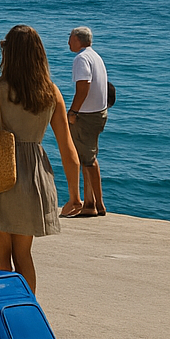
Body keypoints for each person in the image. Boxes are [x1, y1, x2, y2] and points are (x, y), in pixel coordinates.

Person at [0, 25, 82, 291]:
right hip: (34, 179)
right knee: (24, 256)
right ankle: (26, 314)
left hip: (0, 175)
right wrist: (76, 195)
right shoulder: (51, 92)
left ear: (8, 53)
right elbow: (68, 149)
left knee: (2, 261)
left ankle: (4, 316)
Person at [63, 26, 110, 217]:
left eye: (70, 38)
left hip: (87, 115)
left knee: (88, 160)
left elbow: (83, 87)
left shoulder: (81, 59)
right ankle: (89, 202)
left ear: (78, 40)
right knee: (86, 157)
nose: (68, 42)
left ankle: (98, 204)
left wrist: (73, 111)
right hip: (99, 112)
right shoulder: (95, 56)